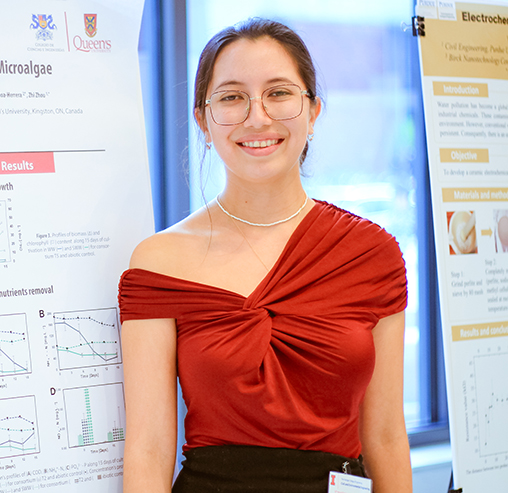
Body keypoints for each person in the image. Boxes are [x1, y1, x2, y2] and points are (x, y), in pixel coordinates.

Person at [119, 18, 411, 493]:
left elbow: (385, 436)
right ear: (203, 121)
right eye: (232, 97)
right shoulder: (159, 263)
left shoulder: (370, 253)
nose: (258, 117)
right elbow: (149, 450)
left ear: (313, 111)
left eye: (279, 93)